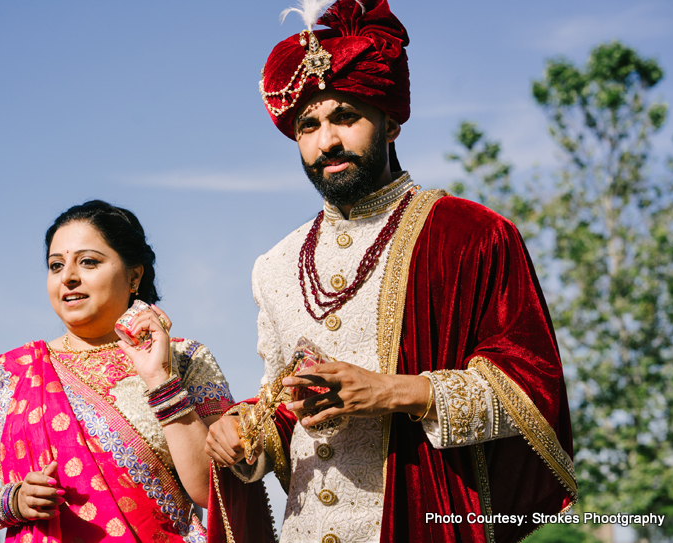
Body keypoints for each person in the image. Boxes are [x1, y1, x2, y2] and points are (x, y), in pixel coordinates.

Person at [204, 1, 576, 542]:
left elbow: (532, 393)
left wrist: (394, 392)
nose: (326, 140)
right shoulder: (275, 265)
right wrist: (244, 435)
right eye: (308, 125)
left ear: (391, 121)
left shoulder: (470, 233)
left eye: (345, 117)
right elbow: (284, 410)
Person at [0, 200, 234, 543]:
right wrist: (13, 501)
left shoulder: (184, 359)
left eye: (89, 262)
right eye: (56, 265)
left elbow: (214, 492)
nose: (69, 277)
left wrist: (161, 381)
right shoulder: (10, 375)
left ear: (134, 275)